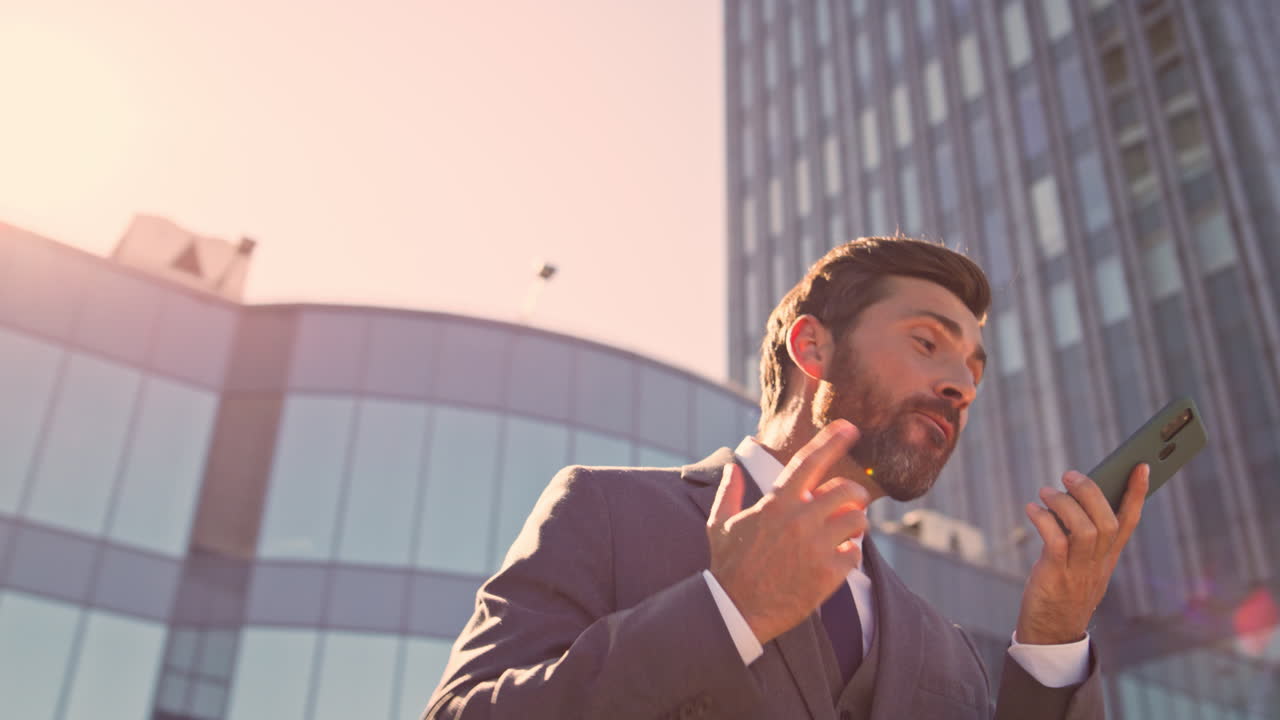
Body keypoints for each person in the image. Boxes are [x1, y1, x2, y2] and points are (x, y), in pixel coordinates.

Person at [422, 236, 1149, 719]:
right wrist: (724, 614)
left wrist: (1054, 639)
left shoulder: (945, 650)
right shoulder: (605, 512)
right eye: (928, 342)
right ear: (812, 346)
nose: (961, 385)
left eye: (973, 372)